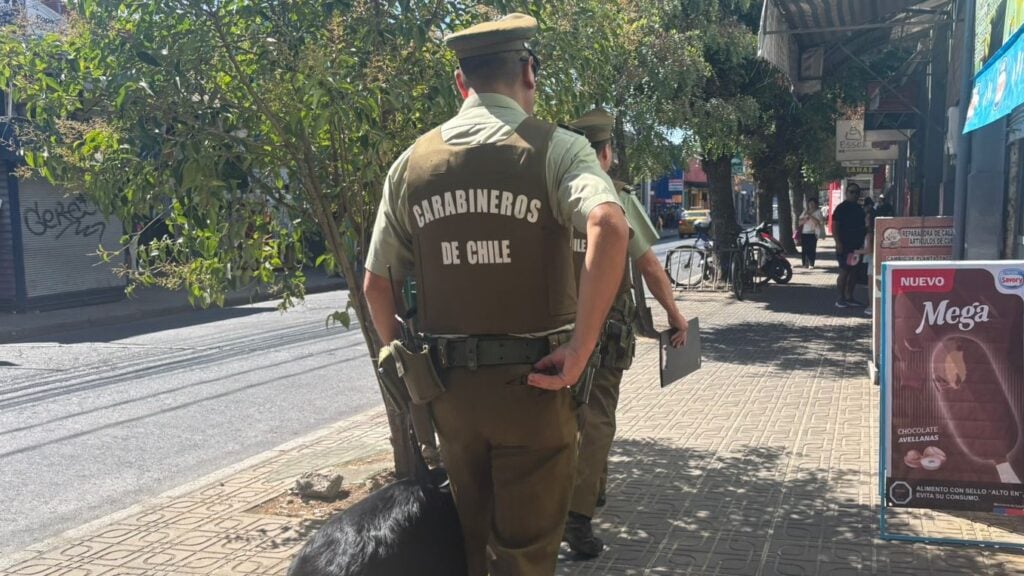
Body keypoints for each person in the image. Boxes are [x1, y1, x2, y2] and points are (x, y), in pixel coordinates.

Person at [362, 13, 630, 576]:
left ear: (461, 83)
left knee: (470, 545)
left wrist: (414, 382)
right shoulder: (558, 150)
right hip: (538, 387)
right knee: (525, 556)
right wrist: (580, 351)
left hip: (452, 396)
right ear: (528, 72)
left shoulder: (412, 164)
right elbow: (609, 225)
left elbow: (376, 285)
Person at [563, 108, 689, 557]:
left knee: (560, 421)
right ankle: (577, 519)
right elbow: (650, 266)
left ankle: (576, 498)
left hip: (553, 330)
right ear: (605, 153)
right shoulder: (614, 198)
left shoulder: (548, 193)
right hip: (603, 332)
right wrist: (675, 315)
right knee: (597, 421)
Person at [832, 182, 867, 309]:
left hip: (857, 246)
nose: (854, 194)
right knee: (844, 270)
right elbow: (835, 226)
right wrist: (838, 242)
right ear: (846, 193)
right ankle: (840, 298)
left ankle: (849, 297)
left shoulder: (859, 209)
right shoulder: (841, 208)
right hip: (845, 245)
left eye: (857, 192)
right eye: (852, 192)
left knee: (854, 272)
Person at [797, 197, 826, 269]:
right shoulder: (805, 212)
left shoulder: (818, 212)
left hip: (813, 233)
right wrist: (804, 219)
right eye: (810, 203)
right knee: (804, 249)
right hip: (804, 233)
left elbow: (818, 222)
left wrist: (810, 216)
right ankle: (804, 264)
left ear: (816, 204)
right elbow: (799, 222)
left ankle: (811, 264)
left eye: (813, 203)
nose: (811, 205)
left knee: (811, 249)